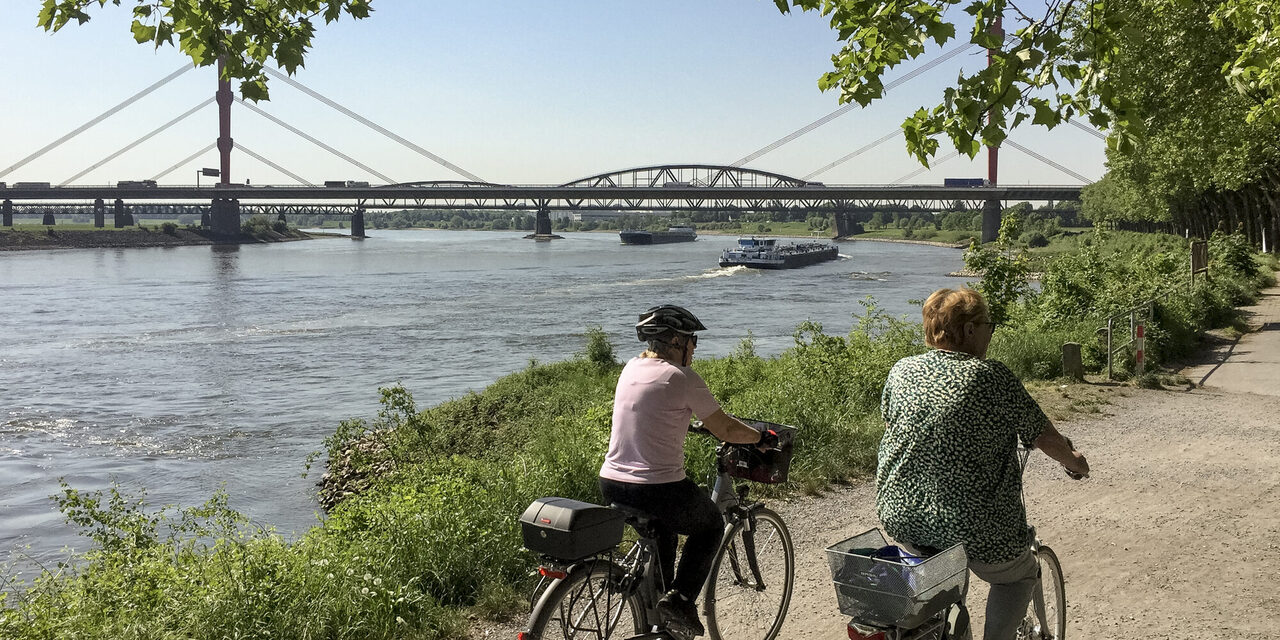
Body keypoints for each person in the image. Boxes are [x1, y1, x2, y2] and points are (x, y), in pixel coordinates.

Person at [876, 288, 1090, 640]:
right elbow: (1044, 437)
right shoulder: (991, 376)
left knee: (938, 577)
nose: (991, 332)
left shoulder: (902, 370)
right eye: (988, 324)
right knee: (1019, 576)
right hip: (974, 526)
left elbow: (895, 429)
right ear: (970, 329)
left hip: (903, 515)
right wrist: (1076, 462)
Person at [599, 304, 768, 637]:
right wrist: (759, 437)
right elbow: (726, 429)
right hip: (656, 489)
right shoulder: (682, 378)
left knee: (664, 531)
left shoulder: (630, 368)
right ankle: (680, 602)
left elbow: (650, 410)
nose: (694, 348)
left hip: (611, 483)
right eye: (693, 341)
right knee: (709, 526)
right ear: (676, 342)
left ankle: (656, 614)